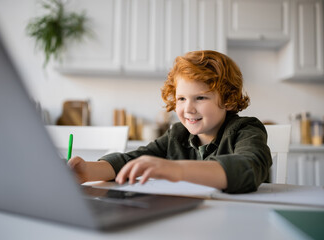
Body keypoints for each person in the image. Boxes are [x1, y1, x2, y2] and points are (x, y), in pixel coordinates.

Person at [68, 50, 272, 193]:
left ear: (227, 100)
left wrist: (176, 170)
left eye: (200, 98)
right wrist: (88, 171)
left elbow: (249, 167)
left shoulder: (246, 129)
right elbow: (134, 160)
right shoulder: (177, 134)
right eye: (182, 99)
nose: (188, 109)